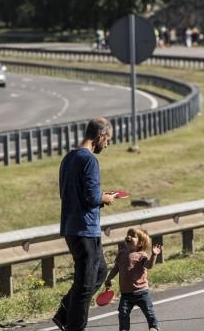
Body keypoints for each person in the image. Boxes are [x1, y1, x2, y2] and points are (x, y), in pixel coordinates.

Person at [53, 117, 117, 331]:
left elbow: (69, 192)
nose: (106, 145)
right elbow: (91, 196)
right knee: (85, 284)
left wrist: (98, 197)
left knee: (99, 272)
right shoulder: (89, 160)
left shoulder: (68, 158)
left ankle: (64, 313)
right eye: (107, 140)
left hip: (72, 227)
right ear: (100, 136)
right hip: (84, 229)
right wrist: (104, 198)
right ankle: (74, 326)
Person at [104, 228, 162, 331]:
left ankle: (154, 327)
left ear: (140, 243)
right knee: (123, 313)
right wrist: (108, 278)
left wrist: (154, 255)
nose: (128, 237)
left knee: (149, 312)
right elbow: (115, 268)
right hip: (126, 293)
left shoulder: (142, 255)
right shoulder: (121, 253)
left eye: (133, 236)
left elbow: (149, 266)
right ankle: (124, 329)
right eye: (128, 235)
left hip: (142, 292)